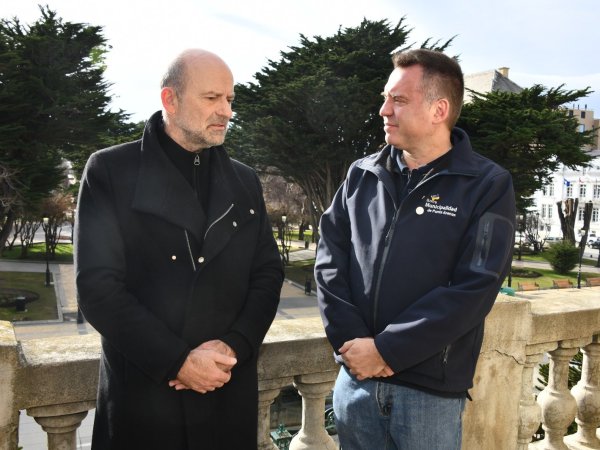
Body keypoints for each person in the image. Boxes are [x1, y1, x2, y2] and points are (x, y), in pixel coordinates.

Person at [75, 49, 284, 450]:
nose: (226, 111)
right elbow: (97, 289)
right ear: (170, 100)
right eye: (212, 98)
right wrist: (178, 362)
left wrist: (234, 344)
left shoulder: (245, 181)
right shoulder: (109, 171)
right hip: (145, 401)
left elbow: (268, 274)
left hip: (226, 393)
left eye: (230, 99)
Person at [315, 48, 516, 449]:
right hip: (355, 383)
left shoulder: (488, 185)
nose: (384, 110)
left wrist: (387, 350)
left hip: (429, 396)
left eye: (399, 100)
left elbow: (475, 287)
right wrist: (354, 344)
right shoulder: (361, 174)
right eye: (385, 98)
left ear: (439, 110)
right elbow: (329, 261)